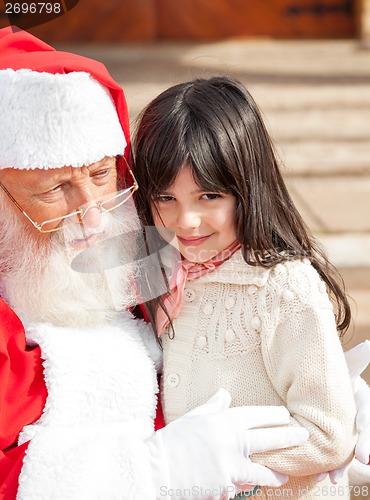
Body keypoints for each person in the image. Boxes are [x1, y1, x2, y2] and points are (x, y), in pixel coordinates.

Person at [0, 29, 313, 500]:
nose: (93, 215)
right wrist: (148, 470)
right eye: (54, 189)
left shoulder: (150, 258)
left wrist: (312, 395)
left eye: (102, 174)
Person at [132, 76, 368, 499]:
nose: (185, 220)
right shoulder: (161, 273)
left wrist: (228, 458)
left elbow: (329, 432)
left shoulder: (282, 288)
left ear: (247, 188)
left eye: (208, 196)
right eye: (165, 198)